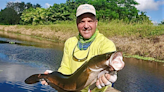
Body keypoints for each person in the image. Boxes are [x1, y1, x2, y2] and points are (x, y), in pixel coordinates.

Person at [42, 4, 117, 92]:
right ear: (77, 24)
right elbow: (65, 68)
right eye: (82, 21)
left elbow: (110, 67)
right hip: (74, 88)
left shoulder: (106, 44)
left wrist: (111, 74)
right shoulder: (70, 42)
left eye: (90, 21)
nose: (86, 26)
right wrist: (56, 77)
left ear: (96, 23)